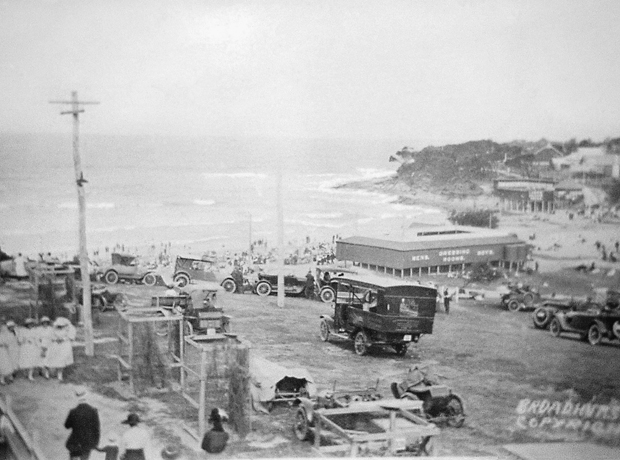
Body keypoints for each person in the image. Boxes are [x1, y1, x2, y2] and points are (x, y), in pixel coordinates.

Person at [65, 387, 101, 460]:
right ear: (86, 396)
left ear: (76, 397)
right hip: (87, 443)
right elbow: (97, 429)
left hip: (75, 442)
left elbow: (67, 426)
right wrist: (95, 443)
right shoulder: (93, 411)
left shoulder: (73, 412)